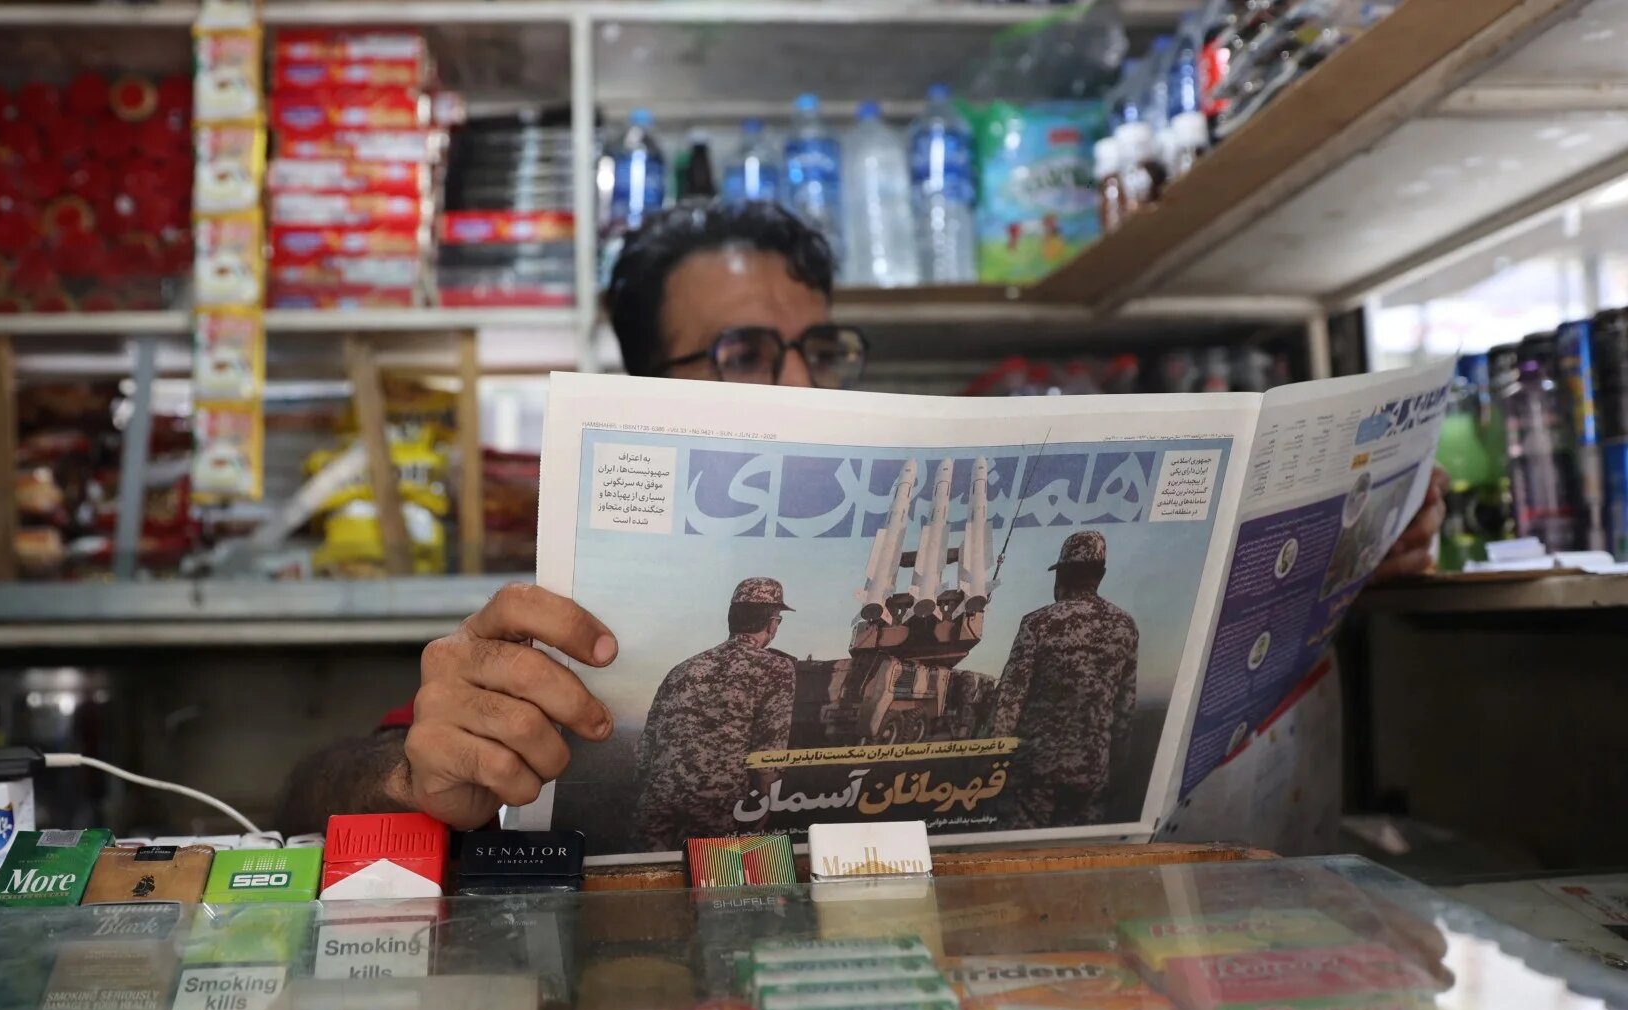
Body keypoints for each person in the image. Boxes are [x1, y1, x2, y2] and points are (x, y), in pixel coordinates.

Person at [274, 202, 1447, 836]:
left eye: (816, 348)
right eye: (743, 353)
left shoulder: (977, 631)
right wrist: (417, 765)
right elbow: (315, 795)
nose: (795, 385)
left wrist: (1340, 557)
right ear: (641, 387)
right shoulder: (572, 606)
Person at [629, 577, 797, 852]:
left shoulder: (684, 668)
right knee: (711, 886)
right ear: (772, 623)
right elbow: (769, 748)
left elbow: (647, 744)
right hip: (717, 806)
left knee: (651, 882)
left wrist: (649, 793)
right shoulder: (777, 669)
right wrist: (765, 804)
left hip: (658, 800)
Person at [986, 531, 1139, 829]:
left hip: (1034, 773)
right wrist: (1112, 768)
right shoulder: (1125, 626)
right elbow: (1125, 709)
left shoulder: (1039, 623)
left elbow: (1009, 700)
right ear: (1101, 575)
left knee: (1018, 858)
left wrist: (989, 763)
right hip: (1092, 774)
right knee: (1076, 861)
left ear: (1061, 575)